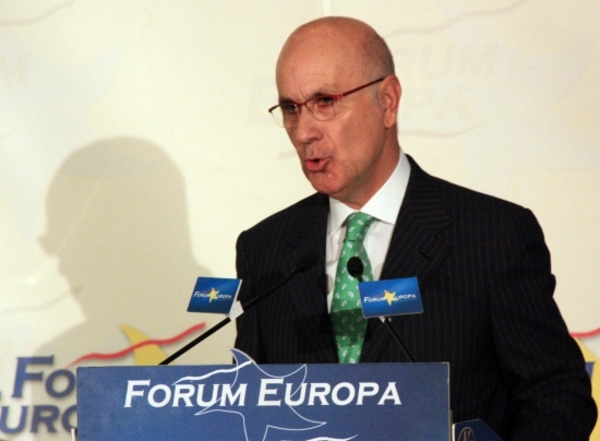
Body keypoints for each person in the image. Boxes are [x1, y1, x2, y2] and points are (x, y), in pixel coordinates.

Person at [234, 16, 596, 440]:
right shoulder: (265, 249)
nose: (304, 131)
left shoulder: (492, 235)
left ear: (387, 101)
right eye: (291, 109)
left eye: (325, 101)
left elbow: (556, 395)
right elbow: (249, 406)